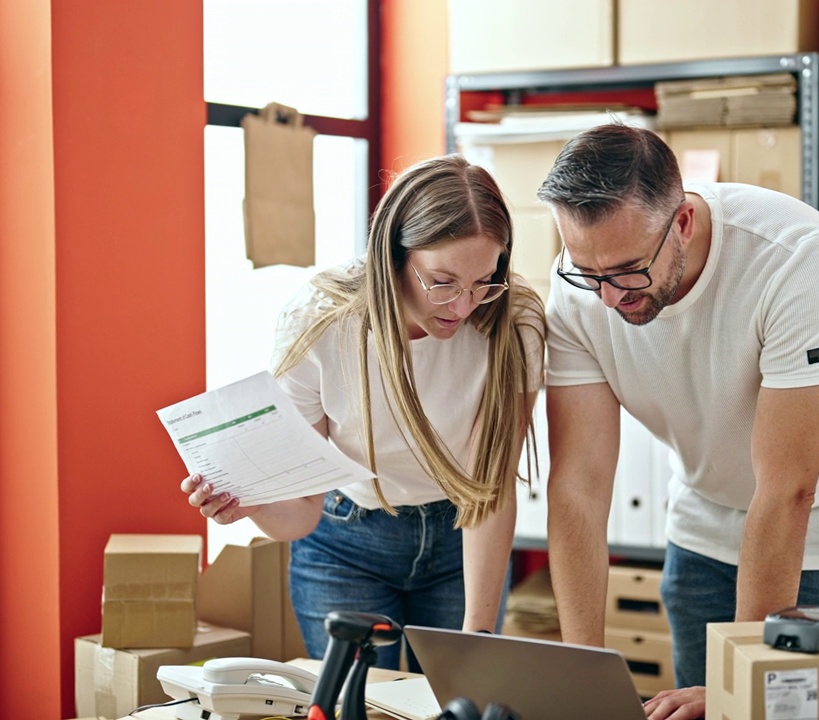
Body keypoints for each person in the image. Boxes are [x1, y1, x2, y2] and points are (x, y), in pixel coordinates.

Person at [536, 124, 819, 719]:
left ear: (683, 222)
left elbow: (788, 489)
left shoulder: (797, 261)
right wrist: (583, 677)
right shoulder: (581, 291)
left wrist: (741, 684)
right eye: (589, 273)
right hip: (708, 513)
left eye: (628, 270)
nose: (608, 299)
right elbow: (579, 486)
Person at [183, 155, 546, 670]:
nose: (463, 307)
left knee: (456, 699)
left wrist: (478, 635)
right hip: (346, 541)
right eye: (442, 282)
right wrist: (251, 505)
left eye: (483, 280)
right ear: (392, 255)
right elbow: (302, 510)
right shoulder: (319, 321)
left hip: (462, 539)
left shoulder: (513, 319)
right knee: (358, 705)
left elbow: (491, 489)